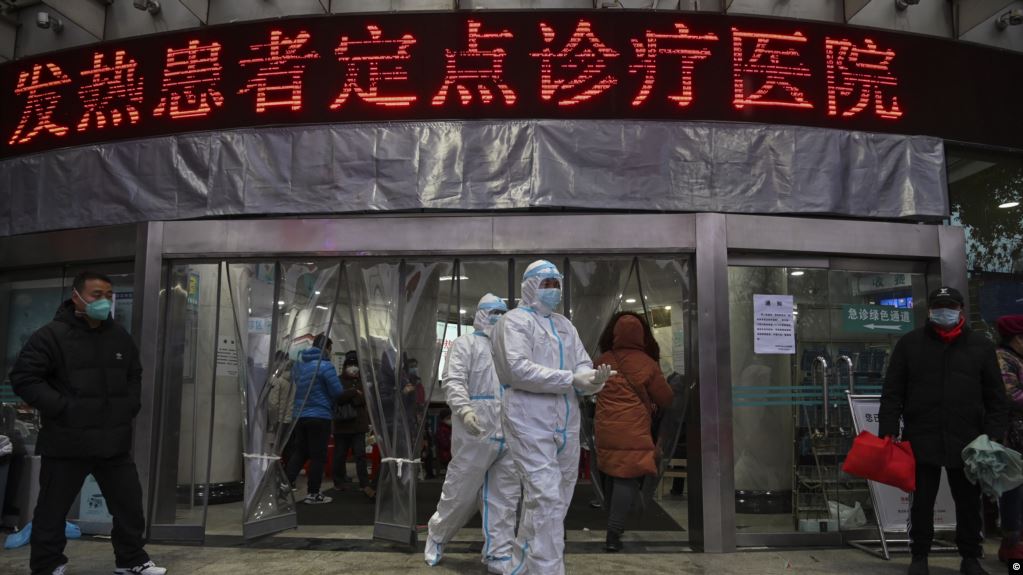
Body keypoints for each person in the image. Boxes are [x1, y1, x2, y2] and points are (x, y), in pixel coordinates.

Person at [9, 271, 167, 575]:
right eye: (96, 295)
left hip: (113, 441)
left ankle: (131, 560)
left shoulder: (119, 336)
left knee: (129, 505)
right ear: (77, 296)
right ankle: (48, 565)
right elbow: (24, 377)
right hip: (67, 441)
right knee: (52, 511)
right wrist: (63, 408)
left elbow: (134, 373)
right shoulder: (51, 336)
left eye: (108, 295)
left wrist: (128, 406)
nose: (104, 300)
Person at [491, 260, 613, 575]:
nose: (554, 291)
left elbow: (581, 363)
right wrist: (571, 379)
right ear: (530, 286)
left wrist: (592, 379)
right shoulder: (514, 322)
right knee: (545, 497)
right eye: (547, 284)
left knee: (555, 500)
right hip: (527, 418)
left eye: (557, 284)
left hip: (566, 420)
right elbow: (517, 369)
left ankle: (520, 565)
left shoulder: (564, 325)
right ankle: (548, 570)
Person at [879, 286, 1007, 575]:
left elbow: (996, 396)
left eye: (950, 306)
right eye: (938, 307)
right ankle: (919, 556)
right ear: (929, 310)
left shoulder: (981, 346)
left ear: (961, 310)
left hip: (969, 441)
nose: (944, 311)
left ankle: (970, 557)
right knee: (922, 502)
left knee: (968, 503)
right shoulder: (910, 344)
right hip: (922, 436)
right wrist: (888, 428)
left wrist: (993, 433)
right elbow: (893, 392)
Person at [425, 294, 520, 573]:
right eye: (492, 312)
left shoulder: (512, 349)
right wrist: (465, 410)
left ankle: (499, 554)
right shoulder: (464, 344)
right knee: (459, 493)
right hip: (475, 432)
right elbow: (453, 380)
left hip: (509, 433)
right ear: (479, 314)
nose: (497, 318)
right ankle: (437, 535)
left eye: (502, 313)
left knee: (504, 498)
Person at [594, 312, 674, 552]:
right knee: (626, 477)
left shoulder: (602, 360)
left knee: (612, 473)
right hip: (633, 429)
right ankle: (613, 533)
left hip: (606, 428)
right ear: (641, 335)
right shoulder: (647, 363)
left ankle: (616, 522)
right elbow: (666, 398)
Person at [285, 334, 343, 505]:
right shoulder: (325, 366)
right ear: (326, 348)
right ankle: (313, 493)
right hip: (319, 416)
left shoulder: (300, 366)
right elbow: (337, 392)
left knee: (300, 452)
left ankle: (284, 484)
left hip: (300, 415)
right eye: (330, 348)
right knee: (318, 456)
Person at [995, 314, 1023, 562]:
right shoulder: (1003, 358)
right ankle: (1013, 544)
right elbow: (1010, 395)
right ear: (1017, 338)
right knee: (1014, 489)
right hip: (1013, 437)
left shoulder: (1017, 359)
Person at [332, 350, 375, 499]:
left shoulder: (363, 381)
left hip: (358, 425)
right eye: (350, 365)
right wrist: (354, 392)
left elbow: (364, 399)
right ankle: (338, 481)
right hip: (342, 424)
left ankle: (364, 483)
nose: (353, 368)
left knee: (360, 455)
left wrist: (351, 395)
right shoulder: (338, 380)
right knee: (340, 454)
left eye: (355, 364)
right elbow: (338, 397)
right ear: (345, 366)